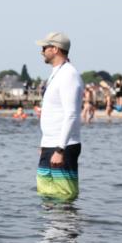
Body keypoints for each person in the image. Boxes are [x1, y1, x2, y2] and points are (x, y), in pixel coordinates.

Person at [35, 32, 84, 201]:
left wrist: (60, 149)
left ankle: (66, 221)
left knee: (63, 197)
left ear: (55, 49)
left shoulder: (68, 75)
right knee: (46, 196)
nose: (41, 51)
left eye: (44, 47)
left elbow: (71, 114)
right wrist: (44, 143)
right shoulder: (56, 73)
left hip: (63, 146)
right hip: (50, 144)